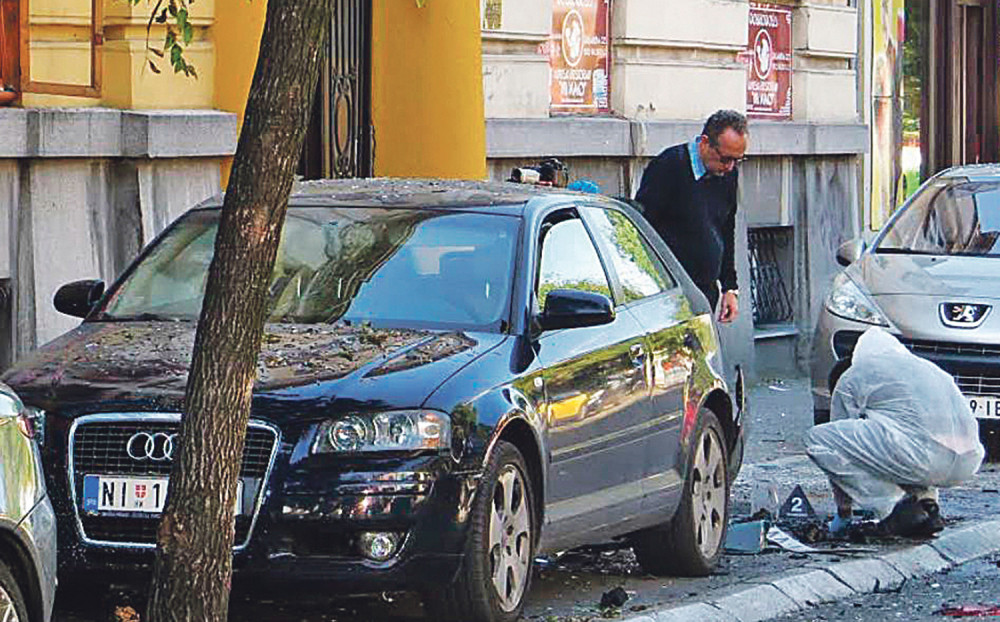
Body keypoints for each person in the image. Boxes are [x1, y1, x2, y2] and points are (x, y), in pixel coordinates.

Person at [805, 328, 984, 538]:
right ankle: (926, 506)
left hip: (922, 457)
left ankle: (894, 510)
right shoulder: (926, 368)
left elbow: (840, 445)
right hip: (968, 461)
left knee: (817, 439)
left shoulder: (854, 375)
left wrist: (843, 513)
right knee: (900, 443)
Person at [634, 109, 748, 322]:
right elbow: (643, 228)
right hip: (670, 292)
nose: (730, 167)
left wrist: (730, 287)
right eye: (725, 159)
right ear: (705, 143)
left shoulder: (728, 173)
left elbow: (726, 229)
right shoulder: (669, 166)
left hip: (706, 290)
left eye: (737, 160)